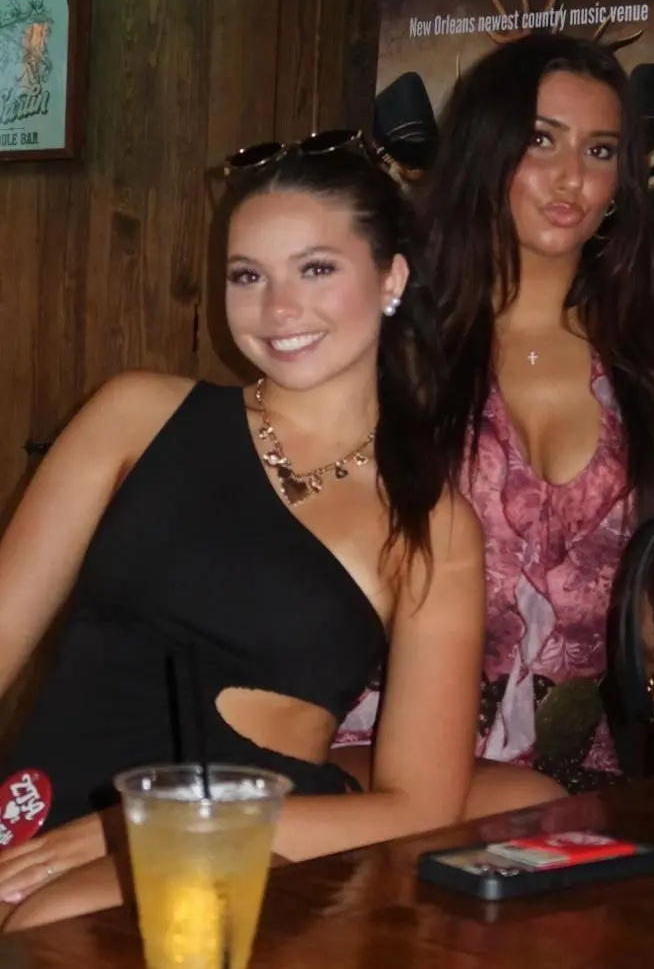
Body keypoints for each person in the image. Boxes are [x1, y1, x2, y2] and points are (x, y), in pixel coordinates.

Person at [0, 137, 484, 929]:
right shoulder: (135, 415)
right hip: (38, 825)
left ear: (392, 278)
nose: (278, 308)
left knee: (59, 922)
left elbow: (420, 804)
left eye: (316, 269)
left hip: (235, 846)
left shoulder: (431, 520)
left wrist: (158, 824)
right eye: (248, 276)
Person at [333, 33, 654, 801]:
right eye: (542, 140)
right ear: (487, 149)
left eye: (600, 150)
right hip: (380, 741)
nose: (572, 176)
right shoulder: (396, 326)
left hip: (573, 763)